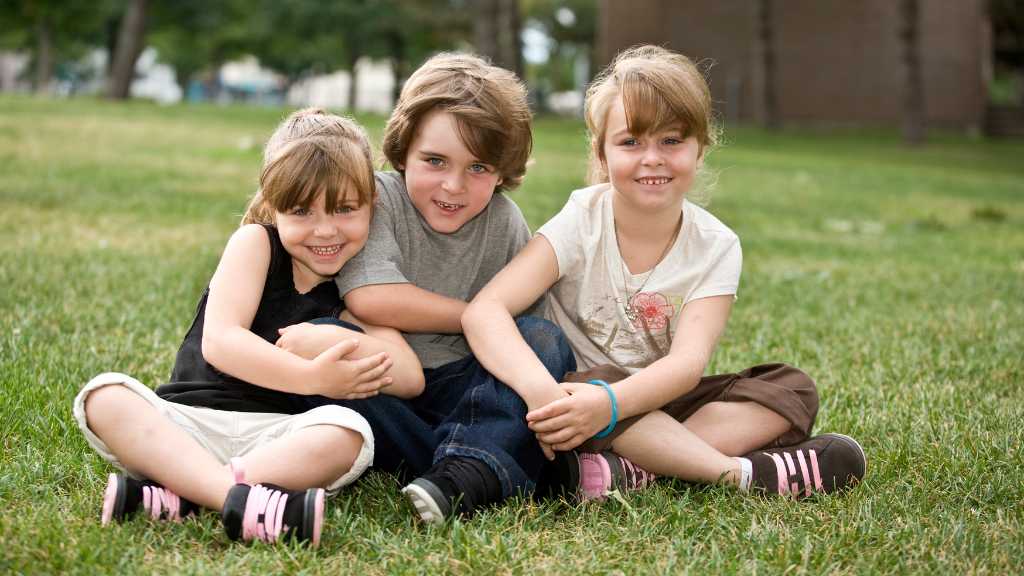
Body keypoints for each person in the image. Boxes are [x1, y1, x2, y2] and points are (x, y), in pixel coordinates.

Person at [462, 45, 866, 501]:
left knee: (792, 388)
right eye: (631, 141)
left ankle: (631, 470)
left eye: (671, 141)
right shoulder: (581, 219)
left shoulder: (716, 245)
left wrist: (612, 408)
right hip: (576, 397)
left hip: (652, 401)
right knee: (599, 382)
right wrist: (545, 395)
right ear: (602, 151)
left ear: (700, 148)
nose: (652, 157)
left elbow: (686, 366)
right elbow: (486, 311)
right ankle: (740, 475)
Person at [72, 108, 424, 546]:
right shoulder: (256, 244)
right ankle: (235, 499)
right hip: (190, 424)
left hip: (276, 440)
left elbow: (410, 378)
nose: (325, 230)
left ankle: (183, 495)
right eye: (301, 211)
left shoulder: (360, 285)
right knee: (105, 397)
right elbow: (221, 342)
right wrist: (313, 377)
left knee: (348, 434)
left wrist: (339, 336)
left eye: (345, 209)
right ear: (272, 207)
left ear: (373, 204)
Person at [283, 52, 576, 524]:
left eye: (478, 167)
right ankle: (487, 460)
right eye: (435, 160)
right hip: (385, 384)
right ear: (402, 152)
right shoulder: (378, 199)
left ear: (503, 171)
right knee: (313, 347)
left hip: (471, 388)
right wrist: (481, 314)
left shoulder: (505, 223)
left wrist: (504, 333)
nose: (453, 185)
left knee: (543, 340)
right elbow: (371, 298)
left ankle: (465, 469)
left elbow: (526, 326)